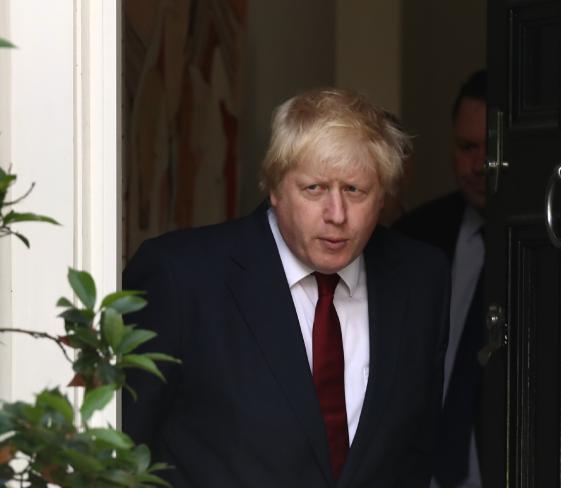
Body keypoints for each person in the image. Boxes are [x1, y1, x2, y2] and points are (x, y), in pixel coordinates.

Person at [122, 87, 450, 488]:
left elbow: (415, 452)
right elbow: (124, 449)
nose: (337, 215)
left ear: (382, 196)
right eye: (314, 189)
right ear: (275, 188)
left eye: (355, 190)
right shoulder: (181, 276)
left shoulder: (422, 280)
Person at [394, 69, 487, 488]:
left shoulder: (554, 244)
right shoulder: (416, 235)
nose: (481, 164)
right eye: (468, 147)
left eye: (494, 147)